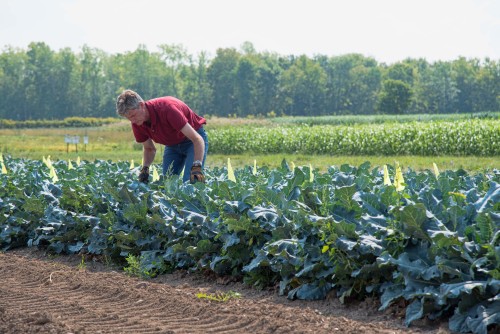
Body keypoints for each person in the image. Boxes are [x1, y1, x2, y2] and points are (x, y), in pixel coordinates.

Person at [116, 89, 208, 184]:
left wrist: (197, 166)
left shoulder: (168, 109)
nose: (132, 121)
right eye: (129, 118)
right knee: (168, 183)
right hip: (172, 145)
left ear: (141, 105)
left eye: (133, 115)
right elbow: (149, 148)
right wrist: (145, 168)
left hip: (191, 142)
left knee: (191, 181)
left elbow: (197, 139)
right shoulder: (137, 123)